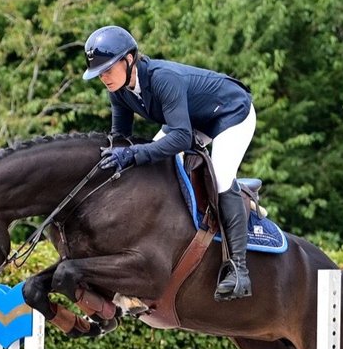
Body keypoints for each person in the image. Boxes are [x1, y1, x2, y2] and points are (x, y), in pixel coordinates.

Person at [82, 24, 256, 301]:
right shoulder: (118, 91)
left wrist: (133, 155)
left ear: (129, 60)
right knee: (154, 170)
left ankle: (238, 271)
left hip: (231, 114)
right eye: (99, 73)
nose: (104, 78)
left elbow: (180, 139)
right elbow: (121, 140)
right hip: (190, 120)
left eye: (108, 69)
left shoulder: (164, 79)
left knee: (222, 177)